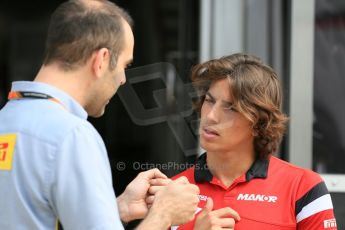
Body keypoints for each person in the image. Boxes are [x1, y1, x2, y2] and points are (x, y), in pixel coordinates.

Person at [0, 0, 200, 229]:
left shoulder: (7, 120)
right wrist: (164, 214)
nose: (123, 79)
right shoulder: (72, 136)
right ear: (101, 60)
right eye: (125, 65)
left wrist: (118, 208)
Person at [168, 53, 338, 229]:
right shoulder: (173, 191)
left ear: (259, 123)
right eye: (209, 101)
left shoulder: (303, 187)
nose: (211, 116)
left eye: (230, 108)